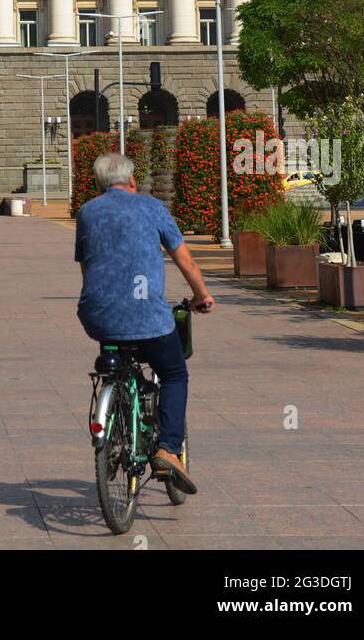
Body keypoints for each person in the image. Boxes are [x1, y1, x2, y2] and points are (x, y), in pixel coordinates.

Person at [75, 151, 215, 495]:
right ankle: (168, 448)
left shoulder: (87, 212)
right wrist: (202, 296)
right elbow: (186, 261)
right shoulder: (151, 207)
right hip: (146, 316)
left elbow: (87, 268)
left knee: (119, 352)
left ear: (99, 185)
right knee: (173, 372)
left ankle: (115, 423)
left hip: (97, 316)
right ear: (132, 181)